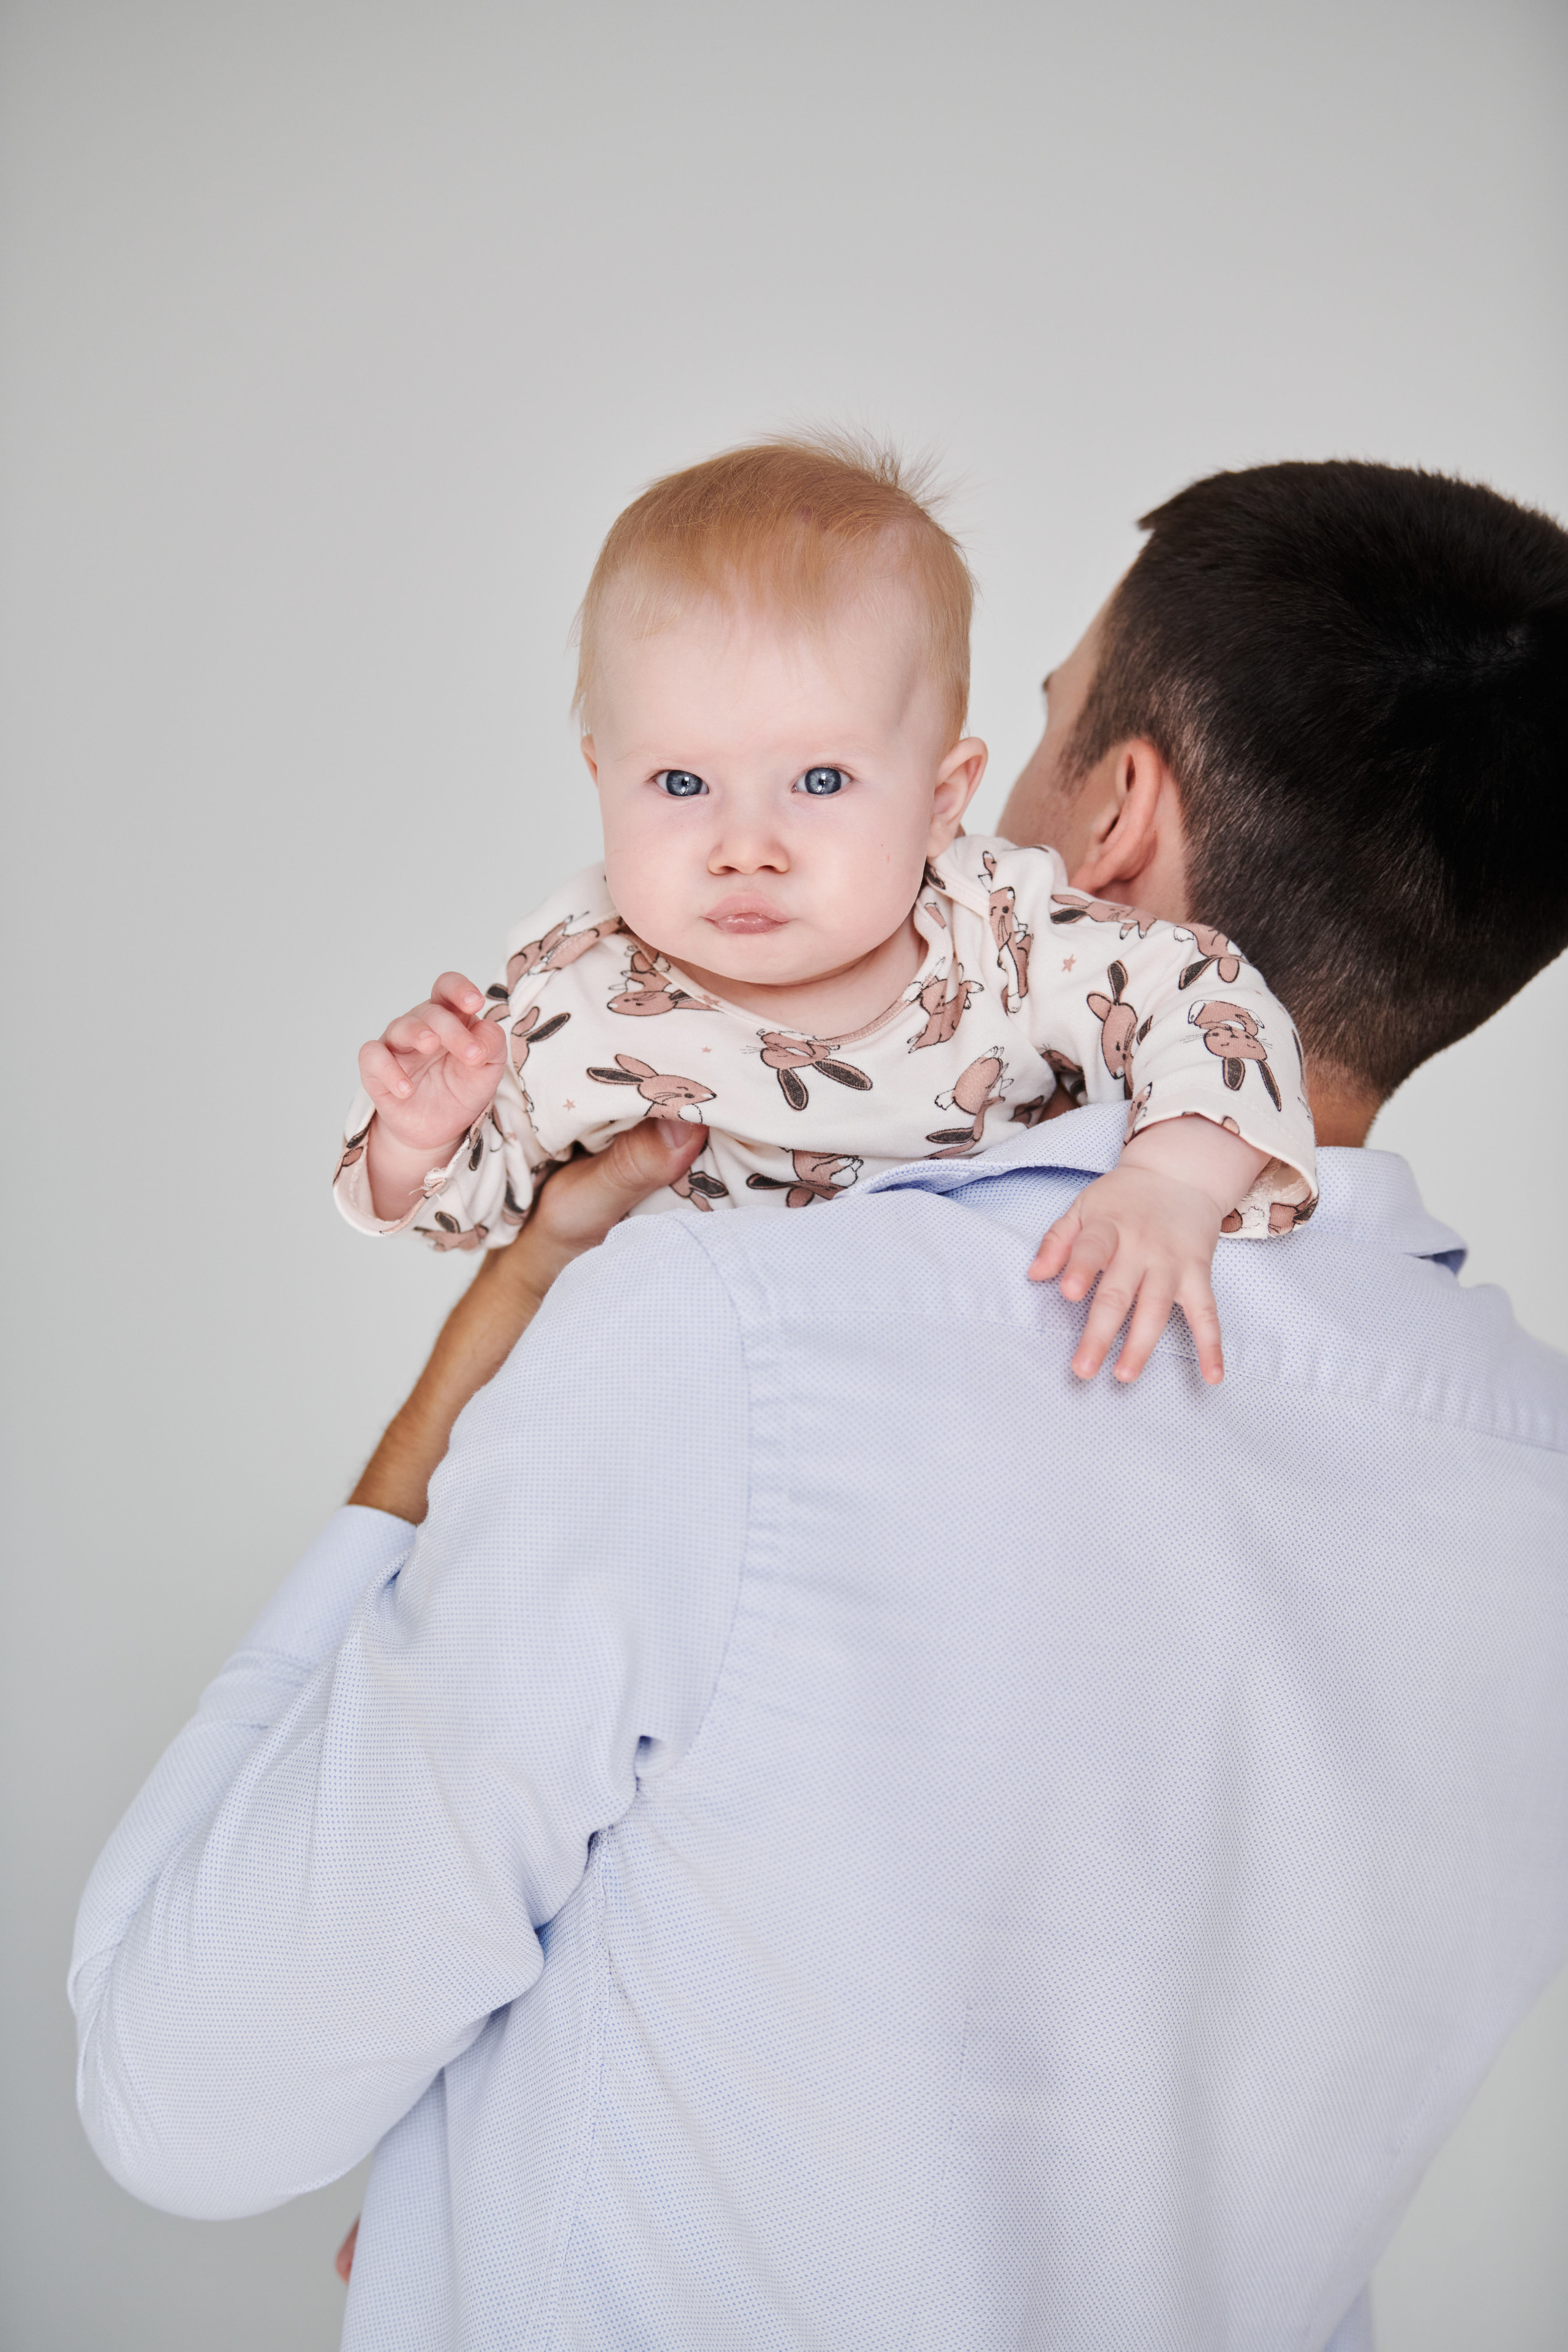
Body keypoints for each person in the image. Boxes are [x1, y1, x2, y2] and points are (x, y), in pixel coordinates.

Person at [72, 460, 1568, 2352]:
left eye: (1020, 735)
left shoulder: (728, 1337)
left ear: (1110, 822)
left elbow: (184, 2094)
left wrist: (505, 1314)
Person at [335, 438, 1317, 1388]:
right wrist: (418, 1138)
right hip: (697, 1400)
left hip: (973, 1381)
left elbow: (1206, 999)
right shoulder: (578, 985)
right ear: (602, 778)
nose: (745, 843)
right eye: (681, 781)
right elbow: (461, 1214)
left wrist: (1174, 1185)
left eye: (820, 778)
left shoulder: (1003, 937)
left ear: (941, 800)